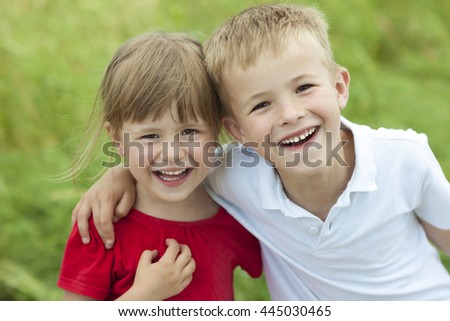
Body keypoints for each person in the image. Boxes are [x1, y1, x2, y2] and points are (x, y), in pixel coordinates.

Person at [73, 4, 450, 300]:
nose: (289, 114)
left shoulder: (404, 158)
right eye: (261, 105)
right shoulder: (234, 175)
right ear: (235, 131)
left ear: (339, 86)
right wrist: (119, 173)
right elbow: (180, 163)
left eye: (303, 88)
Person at [57, 32, 262, 301]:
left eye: (190, 131)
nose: (173, 153)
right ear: (117, 141)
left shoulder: (236, 209)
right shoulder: (101, 222)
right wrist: (143, 297)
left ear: (218, 129)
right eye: (150, 136)